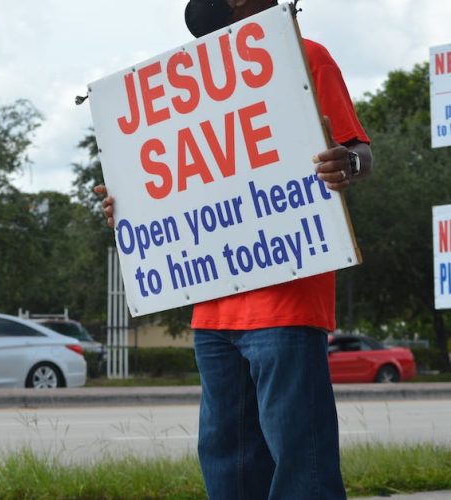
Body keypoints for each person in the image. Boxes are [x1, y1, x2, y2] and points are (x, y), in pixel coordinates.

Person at [94, 1, 373, 498]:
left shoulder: (308, 56)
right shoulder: (186, 86)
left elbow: (359, 150)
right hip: (213, 311)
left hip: (287, 300)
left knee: (300, 460)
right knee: (228, 461)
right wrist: (129, 207)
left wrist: (345, 164)